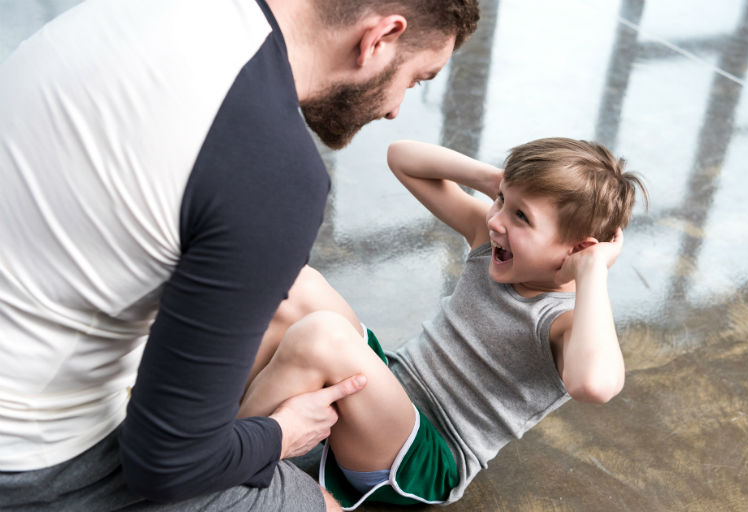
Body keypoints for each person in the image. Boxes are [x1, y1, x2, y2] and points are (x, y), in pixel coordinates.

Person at [0, 0, 479, 511]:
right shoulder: (272, 168)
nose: (395, 109)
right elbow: (165, 464)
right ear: (380, 37)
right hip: (31, 459)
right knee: (317, 501)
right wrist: (280, 434)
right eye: (414, 79)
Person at [237, 137, 649, 509]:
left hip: (424, 456)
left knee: (321, 336)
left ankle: (220, 462)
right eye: (501, 201)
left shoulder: (563, 322)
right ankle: (228, 419)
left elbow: (594, 384)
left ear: (579, 249)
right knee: (297, 285)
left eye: (521, 216)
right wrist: (496, 181)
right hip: (391, 387)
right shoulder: (491, 242)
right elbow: (401, 157)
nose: (497, 220)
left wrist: (592, 271)